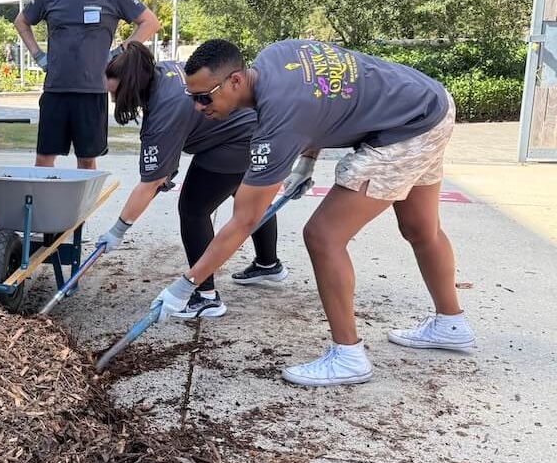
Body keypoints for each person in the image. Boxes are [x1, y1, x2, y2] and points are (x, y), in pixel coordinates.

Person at [150, 38, 474, 386]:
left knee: (323, 236)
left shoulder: (278, 118)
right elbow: (326, 93)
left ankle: (348, 356)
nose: (198, 107)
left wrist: (187, 285)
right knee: (419, 228)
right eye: (191, 97)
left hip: (405, 130)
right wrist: (307, 161)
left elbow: (244, 220)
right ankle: (451, 324)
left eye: (203, 97)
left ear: (235, 81)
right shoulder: (275, 54)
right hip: (430, 102)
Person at [95, 42, 287, 318]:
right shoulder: (157, 71)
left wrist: (118, 230)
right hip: (250, 126)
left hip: (236, 138)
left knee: (194, 209)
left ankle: (206, 295)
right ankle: (268, 264)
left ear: (132, 85)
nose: (114, 101)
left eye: (116, 94)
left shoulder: (165, 110)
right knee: (246, 198)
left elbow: (150, 182)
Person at [14, 0, 161, 169]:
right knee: (43, 159)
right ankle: (47, 207)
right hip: (55, 91)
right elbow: (21, 21)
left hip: (92, 92)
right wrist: (39, 56)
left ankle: (84, 209)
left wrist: (120, 53)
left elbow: (150, 22)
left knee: (86, 161)